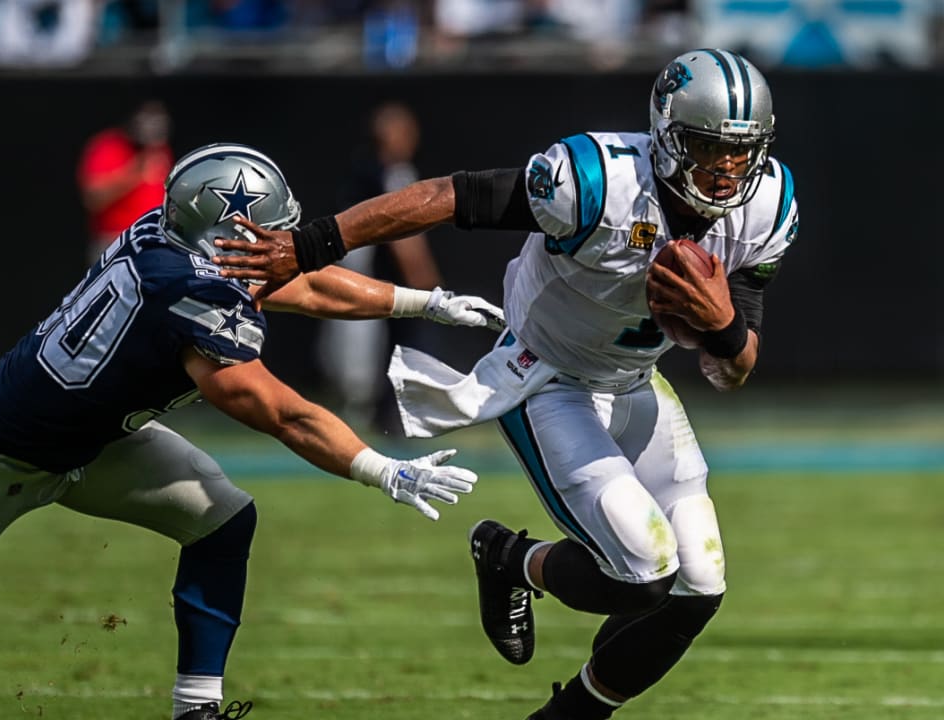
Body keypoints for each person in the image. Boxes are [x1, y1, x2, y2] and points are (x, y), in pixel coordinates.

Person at [0, 142, 505, 720]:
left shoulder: (170, 237)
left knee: (224, 518)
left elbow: (293, 277)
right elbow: (277, 409)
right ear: (221, 228)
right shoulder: (188, 293)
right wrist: (381, 469)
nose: (276, 241)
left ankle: (195, 707)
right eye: (262, 227)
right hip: (2, 454)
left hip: (97, 442)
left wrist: (420, 305)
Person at [212, 49, 798, 720]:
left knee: (700, 586)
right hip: (547, 378)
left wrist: (724, 331)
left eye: (741, 152)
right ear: (667, 136)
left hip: (636, 384)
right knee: (643, 572)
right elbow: (445, 197)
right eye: (708, 148)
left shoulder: (768, 205)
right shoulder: (596, 182)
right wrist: (311, 243)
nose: (727, 170)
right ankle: (507, 556)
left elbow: (734, 370)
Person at [317, 101, 444, 431]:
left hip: (349, 278)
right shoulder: (386, 173)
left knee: (367, 358)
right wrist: (423, 277)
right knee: (364, 359)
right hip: (370, 281)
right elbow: (401, 232)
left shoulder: (367, 170)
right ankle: (381, 419)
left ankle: (380, 417)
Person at [77, 101, 173, 263]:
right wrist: (136, 171)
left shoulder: (160, 150)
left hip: (156, 239)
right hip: (115, 242)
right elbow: (93, 197)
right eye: (148, 120)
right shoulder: (108, 146)